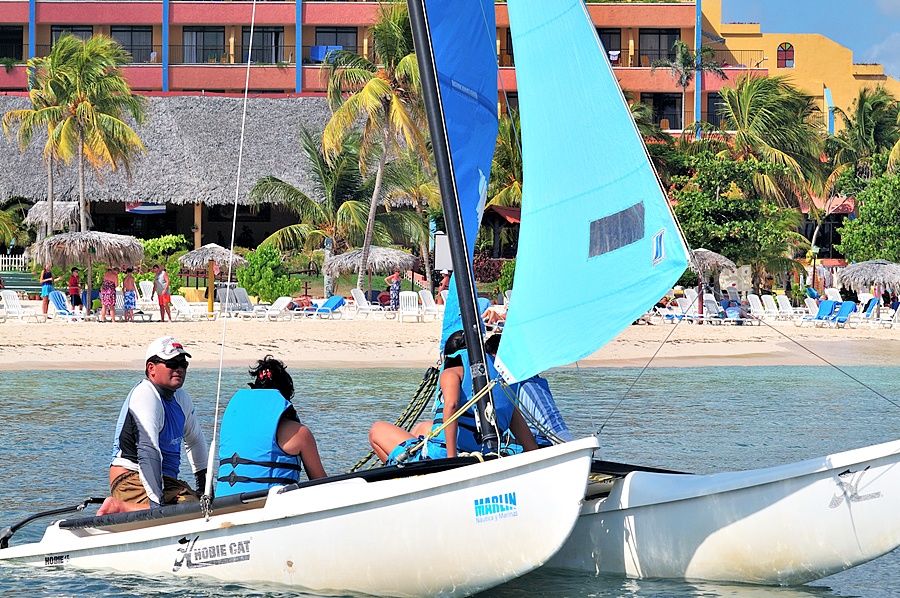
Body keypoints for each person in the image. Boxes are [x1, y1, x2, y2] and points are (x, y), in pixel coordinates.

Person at [368, 330, 538, 464]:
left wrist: (452, 460)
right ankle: (408, 463)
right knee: (422, 427)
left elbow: (451, 405)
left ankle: (404, 478)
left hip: (447, 456)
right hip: (486, 452)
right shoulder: (500, 381)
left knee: (377, 429)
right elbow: (529, 444)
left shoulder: (453, 368)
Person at [97, 337, 208, 515]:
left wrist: (205, 491)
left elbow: (195, 443)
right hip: (130, 477)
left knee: (199, 503)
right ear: (151, 368)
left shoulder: (182, 398)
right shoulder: (145, 395)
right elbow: (148, 451)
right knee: (190, 506)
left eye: (183, 364)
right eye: (172, 363)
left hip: (164, 480)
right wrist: (157, 509)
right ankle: (120, 507)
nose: (179, 368)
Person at [216, 356, 326, 497]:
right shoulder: (300, 434)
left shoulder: (230, 426)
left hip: (224, 506)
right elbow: (321, 484)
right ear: (285, 396)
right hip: (266, 507)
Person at [483, 334, 572, 447]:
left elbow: (553, 423)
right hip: (504, 450)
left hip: (535, 452)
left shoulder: (528, 387)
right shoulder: (493, 387)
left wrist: (572, 449)